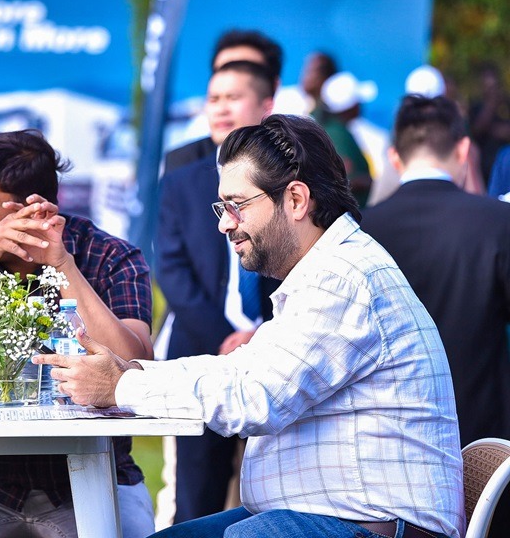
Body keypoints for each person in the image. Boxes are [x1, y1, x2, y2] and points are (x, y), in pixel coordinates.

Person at [38, 114, 464, 538]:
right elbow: (238, 371)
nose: (224, 223)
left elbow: (253, 398)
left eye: (236, 205)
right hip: (332, 516)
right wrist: (132, 371)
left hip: (372, 527)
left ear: (296, 200)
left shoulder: (340, 278)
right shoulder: (326, 269)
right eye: (222, 207)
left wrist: (122, 386)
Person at [0, 129, 154, 538]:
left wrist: (63, 266)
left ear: (34, 209)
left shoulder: (109, 256)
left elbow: (135, 366)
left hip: (94, 472)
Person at [155, 60, 281, 525]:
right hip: (201, 354)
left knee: (278, 499)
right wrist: (226, 339)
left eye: (234, 97)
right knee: (195, 501)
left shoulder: (288, 183)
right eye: (213, 99)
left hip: (278, 357)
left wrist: (263, 335)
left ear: (266, 106)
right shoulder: (180, 183)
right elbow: (171, 270)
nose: (221, 108)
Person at [361, 95, 510, 445]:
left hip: (386, 437)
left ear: (394, 157)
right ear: (463, 150)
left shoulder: (360, 230)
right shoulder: (498, 221)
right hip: (482, 435)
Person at [164, 29, 283, 174]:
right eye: (223, 69)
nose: (222, 109)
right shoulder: (181, 165)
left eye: (247, 69)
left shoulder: (294, 159)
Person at [300, 52, 372, 205]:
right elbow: (344, 179)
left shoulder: (330, 128)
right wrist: (368, 181)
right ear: (351, 106)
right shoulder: (337, 133)